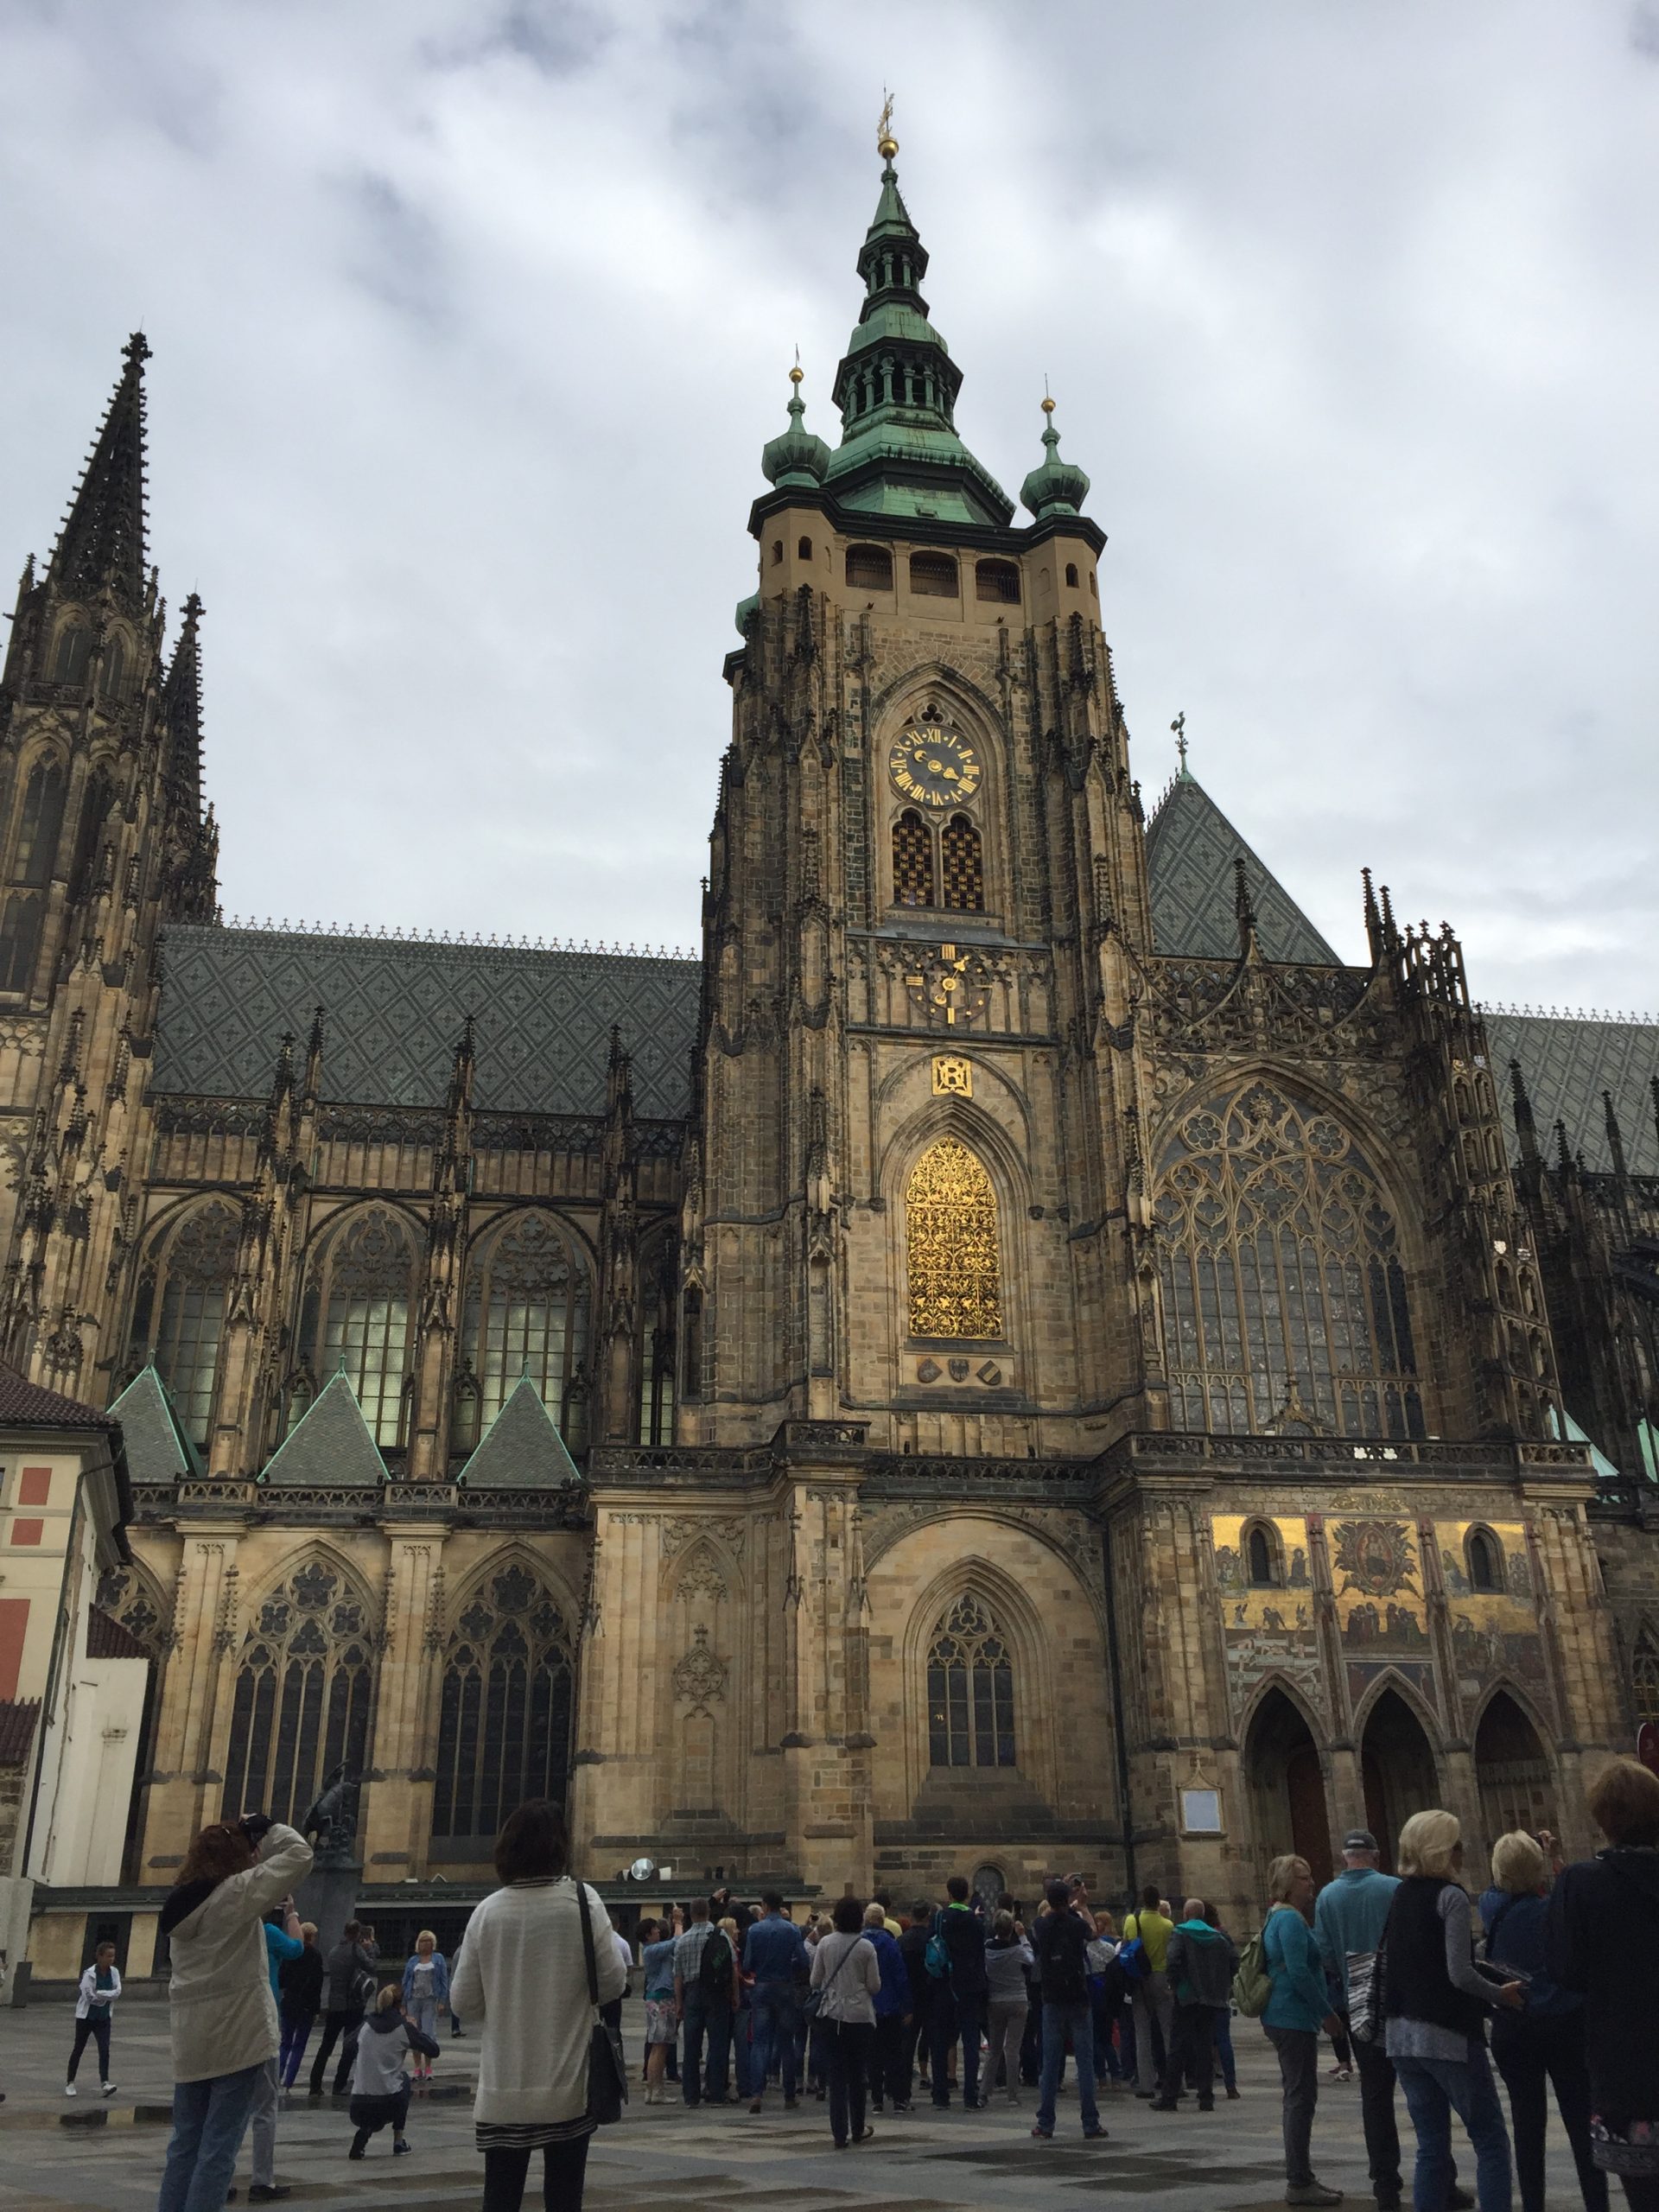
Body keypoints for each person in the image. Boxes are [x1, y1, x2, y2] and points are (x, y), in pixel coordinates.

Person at [448, 1797, 626, 2212]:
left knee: (500, 2198)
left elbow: (463, 2003)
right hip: (567, 2091)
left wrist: (507, 1999)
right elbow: (614, 1983)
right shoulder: (583, 1902)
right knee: (565, 2198)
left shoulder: (487, 1912)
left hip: (502, 2092)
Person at [154, 1811, 314, 2212]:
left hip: (191, 2041)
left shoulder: (180, 1907)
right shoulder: (235, 1894)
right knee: (219, 2149)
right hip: (237, 2038)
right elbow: (300, 1855)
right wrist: (267, 1827)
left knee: (184, 2144)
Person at [1382, 1808, 1521, 2212]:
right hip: (1446, 2033)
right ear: (1441, 1850)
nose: (1462, 1852)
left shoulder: (1400, 1894)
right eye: (1457, 1845)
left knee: (1431, 2145)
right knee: (1490, 2138)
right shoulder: (1451, 1896)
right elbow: (1459, 1972)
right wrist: (1500, 1994)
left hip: (1401, 2034)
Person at [1548, 1757, 1659, 2212]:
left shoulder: (1582, 1882)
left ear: (1602, 1818)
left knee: (1644, 2195)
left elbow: (1564, 1971)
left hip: (1624, 2066)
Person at [1480, 1829, 1605, 2212]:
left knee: (1527, 2125)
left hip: (1515, 2025)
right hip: (1564, 2022)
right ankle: (1597, 2203)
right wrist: (1550, 1859)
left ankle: (1533, 2203)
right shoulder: (1553, 1910)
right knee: (1582, 2124)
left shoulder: (1490, 1907)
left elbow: (1499, 1886)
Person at [1318, 1827, 1412, 2209]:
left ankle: (1385, 2184)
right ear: (1374, 1855)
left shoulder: (1327, 1896)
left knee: (1375, 2094)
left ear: (1345, 1858)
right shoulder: (1395, 1888)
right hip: (1402, 1999)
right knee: (1423, 2087)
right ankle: (1443, 2175)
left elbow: (1325, 1954)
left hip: (1357, 2001)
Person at [1262, 1852, 1346, 2209]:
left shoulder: (1276, 1915)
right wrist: (1327, 2013)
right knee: (1300, 2098)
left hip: (1283, 2015)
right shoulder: (1290, 1920)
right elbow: (1298, 1971)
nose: (1311, 1882)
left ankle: (1302, 2176)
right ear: (1286, 1883)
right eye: (1302, 1877)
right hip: (1292, 2016)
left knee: (1297, 2095)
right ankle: (1298, 2180)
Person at [1029, 1878, 1106, 2141]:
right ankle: (1090, 2123)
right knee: (1085, 2063)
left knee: (1050, 2064)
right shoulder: (1076, 1925)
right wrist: (1082, 1906)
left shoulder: (1041, 1925)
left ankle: (1045, 2123)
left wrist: (1062, 1896)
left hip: (1051, 1998)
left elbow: (1046, 1917)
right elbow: (1094, 1933)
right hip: (1078, 1997)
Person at [243, 1897, 304, 2204]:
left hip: (233, 2022)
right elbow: (297, 1948)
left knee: (228, 2107)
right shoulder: (265, 1931)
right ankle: (262, 2181)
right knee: (265, 2107)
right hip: (263, 2022)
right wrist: (291, 1913)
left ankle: (219, 2177)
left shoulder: (232, 1930)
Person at [1152, 1896, 1236, 2113]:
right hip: (1211, 1998)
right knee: (1204, 2047)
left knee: (1178, 2047)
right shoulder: (1218, 1937)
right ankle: (1206, 2097)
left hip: (1187, 1997)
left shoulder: (1180, 1933)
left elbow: (1173, 1960)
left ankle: (1169, 2097)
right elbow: (1234, 1961)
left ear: (1186, 1914)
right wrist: (1221, 1985)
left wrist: (1175, 1985)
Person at [810, 1893, 881, 2150]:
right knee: (858, 2074)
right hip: (860, 2015)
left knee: (837, 2076)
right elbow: (874, 1986)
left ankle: (839, 2134)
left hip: (832, 2014)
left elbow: (815, 1981)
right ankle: (858, 2128)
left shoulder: (825, 1943)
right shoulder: (866, 1947)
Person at [346, 1982, 439, 2159]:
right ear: (400, 2006)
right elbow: (434, 2050)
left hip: (358, 2104)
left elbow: (348, 2045)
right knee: (403, 2079)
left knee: (375, 2091)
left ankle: (366, 2130)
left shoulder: (366, 2026)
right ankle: (398, 2142)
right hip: (389, 2104)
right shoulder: (403, 2028)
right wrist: (414, 2030)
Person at [741, 1891, 809, 2113]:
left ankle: (756, 2094)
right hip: (785, 1987)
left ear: (764, 1906)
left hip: (762, 1987)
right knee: (786, 2042)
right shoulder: (792, 1930)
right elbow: (803, 1960)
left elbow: (748, 1963)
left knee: (760, 2042)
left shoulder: (755, 1930)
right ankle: (789, 2095)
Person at [930, 1873, 990, 2111]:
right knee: (971, 2040)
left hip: (944, 1984)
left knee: (940, 2039)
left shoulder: (940, 1918)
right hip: (969, 1986)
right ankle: (970, 2096)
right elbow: (980, 1954)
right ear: (967, 1895)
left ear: (949, 1894)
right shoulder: (975, 1922)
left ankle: (940, 2094)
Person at [674, 1896, 736, 2107]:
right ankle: (716, 2093)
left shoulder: (683, 1940)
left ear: (690, 1915)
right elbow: (732, 1967)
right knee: (718, 2044)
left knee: (691, 2046)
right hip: (716, 1993)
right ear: (709, 1912)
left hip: (692, 1992)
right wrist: (735, 1995)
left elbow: (678, 1976)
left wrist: (679, 2003)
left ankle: (691, 2096)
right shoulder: (720, 1935)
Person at [308, 1920, 376, 2098]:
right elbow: (371, 1966)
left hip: (335, 2004)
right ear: (358, 1934)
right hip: (352, 2004)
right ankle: (339, 2084)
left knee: (326, 2046)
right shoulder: (356, 1950)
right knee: (349, 2045)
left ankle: (315, 2084)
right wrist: (370, 1949)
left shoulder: (333, 1951)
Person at [1122, 1884, 1175, 2096]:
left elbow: (1126, 1947)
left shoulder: (1131, 1920)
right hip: (1161, 1977)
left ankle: (1146, 2085)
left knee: (1142, 2033)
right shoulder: (1168, 1925)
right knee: (1168, 2031)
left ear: (1143, 1900)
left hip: (1139, 1978)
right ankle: (1175, 2082)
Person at [861, 1903, 912, 2113]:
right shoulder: (891, 1944)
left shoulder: (860, 1943)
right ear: (882, 1920)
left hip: (867, 2006)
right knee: (894, 2053)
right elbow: (900, 1976)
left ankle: (877, 2099)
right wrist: (907, 2005)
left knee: (873, 2055)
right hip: (890, 2005)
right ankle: (898, 2098)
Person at [984, 1908, 1033, 2108]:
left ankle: (985, 2091)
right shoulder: (1016, 1950)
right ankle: (1012, 2094)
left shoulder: (987, 1948)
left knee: (994, 2049)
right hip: (1017, 1999)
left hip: (995, 1999)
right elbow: (1031, 1959)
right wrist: (1023, 1938)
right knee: (1012, 2049)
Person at [66, 1940, 121, 2097]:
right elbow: (89, 1996)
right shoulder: (89, 1974)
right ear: (100, 1956)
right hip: (86, 2017)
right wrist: (106, 1996)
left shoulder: (114, 1972)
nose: (111, 1959)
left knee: (104, 2049)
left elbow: (117, 1992)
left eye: (113, 1956)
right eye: (108, 1956)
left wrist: (101, 1994)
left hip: (103, 2018)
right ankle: (70, 2082)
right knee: (79, 2048)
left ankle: (105, 2082)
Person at [1200, 1903, 1241, 2100]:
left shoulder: (1196, 1935)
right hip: (1221, 1991)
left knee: (1204, 2041)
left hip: (1201, 1993)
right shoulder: (1222, 1935)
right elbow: (1235, 1961)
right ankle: (1231, 2086)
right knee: (1224, 2039)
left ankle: (1205, 2087)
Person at [277, 1925, 323, 2089]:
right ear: (312, 1937)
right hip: (307, 2006)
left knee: (285, 2042)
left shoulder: (291, 1953)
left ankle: (277, 2076)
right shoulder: (316, 1956)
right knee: (299, 2045)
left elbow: (281, 1979)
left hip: (289, 2002)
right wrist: (316, 2010)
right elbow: (317, 1985)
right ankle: (289, 2082)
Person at [899, 1900, 936, 2102]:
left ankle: (903, 2092)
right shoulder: (933, 1939)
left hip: (909, 1998)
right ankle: (937, 2088)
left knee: (907, 2045)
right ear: (927, 1916)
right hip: (930, 1996)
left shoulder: (902, 1941)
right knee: (933, 2041)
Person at [400, 1932, 450, 2082]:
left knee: (428, 2033)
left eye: (429, 1941)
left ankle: (428, 2067)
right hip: (413, 1999)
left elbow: (444, 1980)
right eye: (423, 1941)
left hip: (430, 2000)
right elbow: (405, 1981)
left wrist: (442, 2001)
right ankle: (417, 2067)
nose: (426, 1944)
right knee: (414, 2033)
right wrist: (402, 2003)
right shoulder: (413, 1961)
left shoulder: (438, 1959)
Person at [639, 1918, 678, 2104]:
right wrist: (678, 1922)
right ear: (648, 1935)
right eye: (654, 1929)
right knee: (660, 2046)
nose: (658, 1931)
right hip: (661, 1999)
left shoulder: (652, 1950)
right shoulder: (652, 1950)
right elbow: (676, 1941)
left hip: (656, 1998)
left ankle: (652, 2088)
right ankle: (657, 2089)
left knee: (658, 2046)